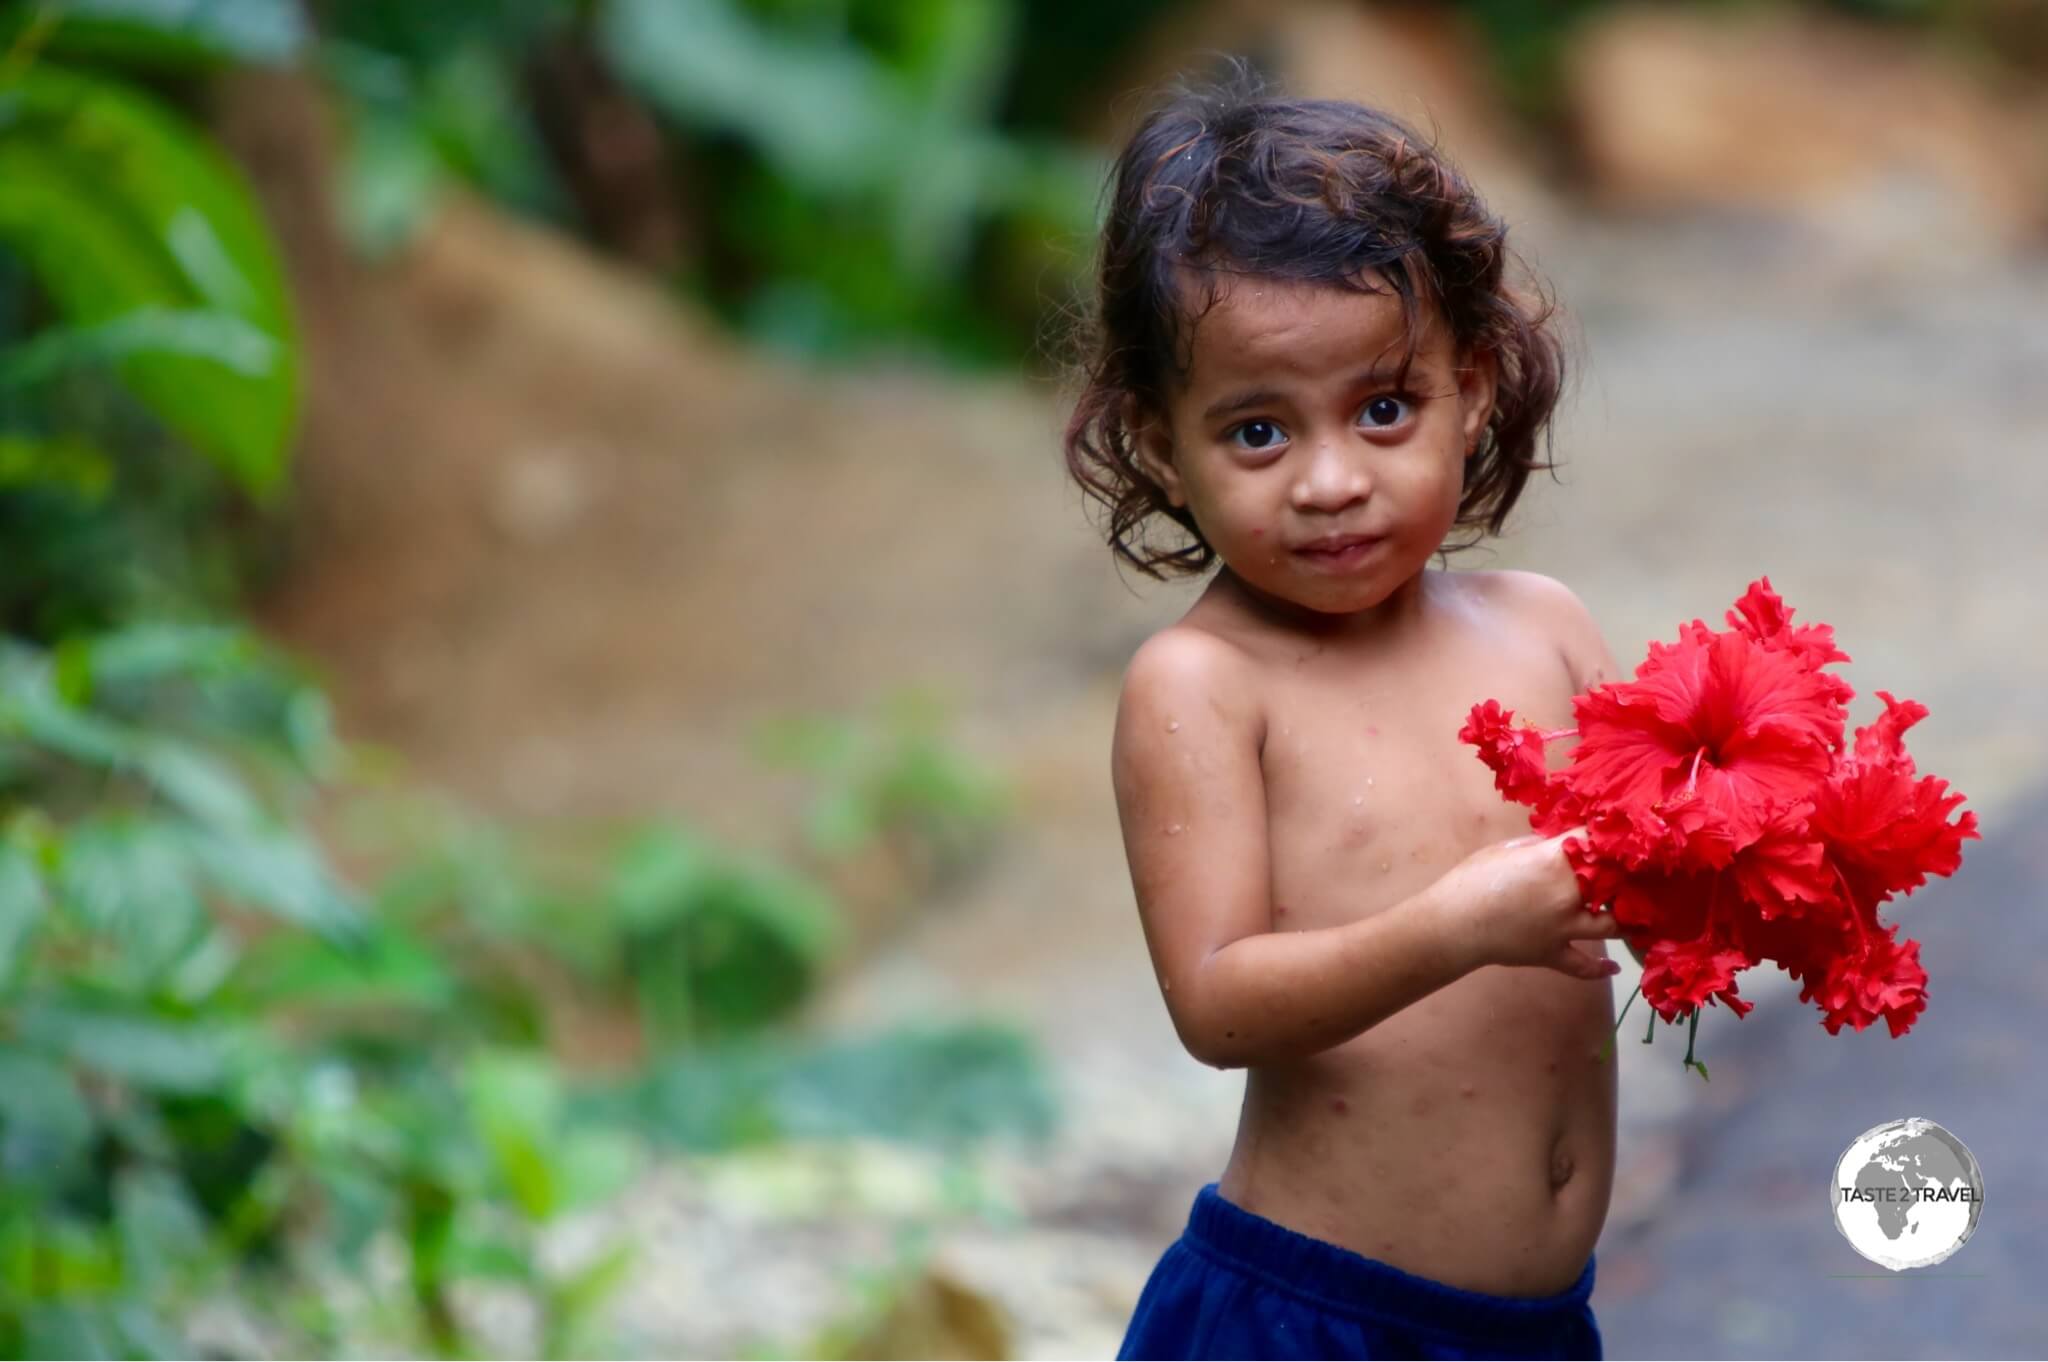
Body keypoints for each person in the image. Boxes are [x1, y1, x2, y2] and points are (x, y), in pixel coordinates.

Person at [1059, 59, 1640, 1360]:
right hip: (1308, 1318)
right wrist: (1462, 921)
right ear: (1161, 443)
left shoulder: (1545, 627)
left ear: (1474, 387)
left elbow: (1652, 867)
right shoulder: (1204, 685)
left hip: (1538, 1324)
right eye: (1259, 432)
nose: (1331, 480)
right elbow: (1213, 1000)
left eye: (1385, 409)